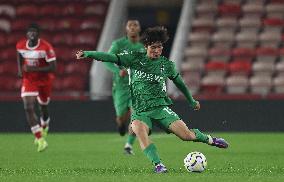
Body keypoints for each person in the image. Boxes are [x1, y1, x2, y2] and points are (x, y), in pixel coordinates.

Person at [75, 26, 229, 173]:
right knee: (140, 132)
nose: (157, 50)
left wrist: (191, 100)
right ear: (146, 46)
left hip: (160, 108)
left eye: (160, 47)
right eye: (154, 47)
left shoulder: (166, 65)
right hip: (140, 110)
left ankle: (210, 139)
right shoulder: (134, 59)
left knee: (186, 135)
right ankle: (159, 165)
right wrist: (88, 53)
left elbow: (179, 83)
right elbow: (110, 57)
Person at [103, 20, 145, 155]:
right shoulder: (118, 44)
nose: (133, 28)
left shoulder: (144, 46)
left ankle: (128, 145)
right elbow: (107, 60)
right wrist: (118, 71)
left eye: (135, 25)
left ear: (139, 28)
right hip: (121, 87)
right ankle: (121, 124)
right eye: (130, 25)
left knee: (136, 116)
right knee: (121, 117)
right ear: (126, 29)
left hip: (136, 86)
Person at [16, 23, 56, 152]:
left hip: (44, 80)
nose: (31, 34)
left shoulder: (46, 47)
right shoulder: (20, 45)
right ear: (26, 34)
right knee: (28, 107)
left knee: (43, 106)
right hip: (29, 80)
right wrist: (20, 70)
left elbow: (53, 67)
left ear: (38, 34)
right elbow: (19, 55)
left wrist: (33, 68)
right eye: (29, 32)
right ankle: (40, 139)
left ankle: (45, 125)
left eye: (34, 32)